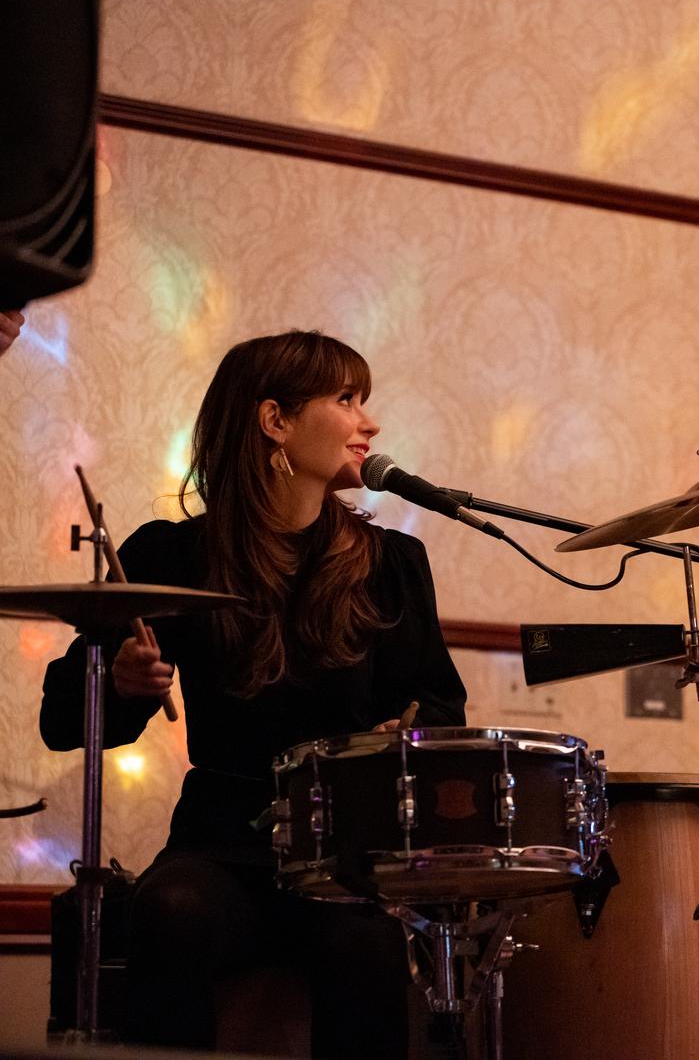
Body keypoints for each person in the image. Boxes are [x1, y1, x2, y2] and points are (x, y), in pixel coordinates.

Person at [40, 330, 468, 1054]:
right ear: (275, 420)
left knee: (366, 943)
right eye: (346, 399)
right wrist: (118, 683)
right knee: (170, 909)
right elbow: (60, 715)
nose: (369, 423)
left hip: (346, 860)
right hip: (219, 846)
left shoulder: (392, 562)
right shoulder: (172, 556)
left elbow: (443, 708)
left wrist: (413, 733)